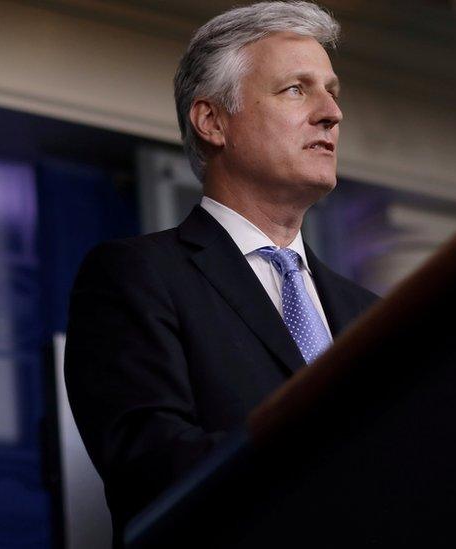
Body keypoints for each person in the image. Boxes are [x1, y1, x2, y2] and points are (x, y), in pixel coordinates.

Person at [64, 1, 378, 535]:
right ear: (212, 121)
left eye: (333, 91)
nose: (332, 112)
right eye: (297, 89)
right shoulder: (136, 275)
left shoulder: (369, 314)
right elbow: (150, 465)